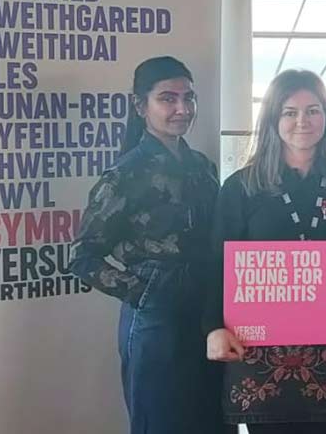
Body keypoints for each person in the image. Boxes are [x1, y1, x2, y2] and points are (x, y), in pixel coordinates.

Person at [202, 69, 326, 433]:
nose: (303, 120)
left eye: (313, 110)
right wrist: (212, 328)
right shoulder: (242, 187)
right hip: (260, 353)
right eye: (290, 112)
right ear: (273, 119)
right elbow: (217, 264)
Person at [71, 56, 229, 434]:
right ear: (141, 106)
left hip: (208, 312)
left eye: (188, 98)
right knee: (160, 422)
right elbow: (83, 257)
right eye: (167, 99)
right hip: (157, 318)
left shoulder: (203, 167)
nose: (182, 109)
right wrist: (144, 292)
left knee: (213, 420)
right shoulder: (125, 174)